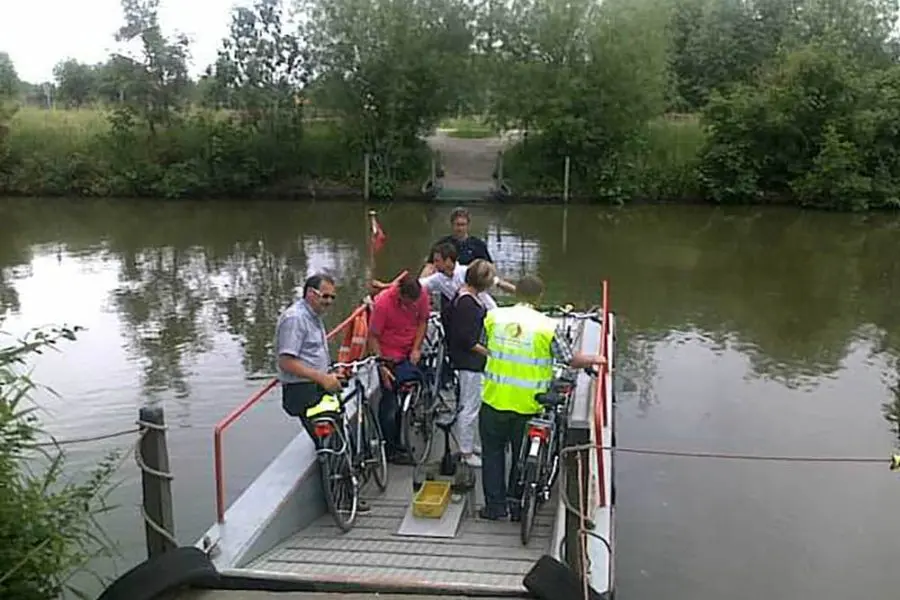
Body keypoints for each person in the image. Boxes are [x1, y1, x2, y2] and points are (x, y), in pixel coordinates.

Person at [478, 275, 606, 521]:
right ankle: (518, 506)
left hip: (493, 400)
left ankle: (494, 507)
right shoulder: (547, 326)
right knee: (522, 457)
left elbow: (484, 345)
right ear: (539, 297)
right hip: (530, 404)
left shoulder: (494, 317)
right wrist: (594, 359)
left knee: (492, 454)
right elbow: (569, 359)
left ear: (516, 293)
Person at [275, 273, 371, 511]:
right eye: (324, 296)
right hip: (303, 391)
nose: (329, 302)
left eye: (332, 298)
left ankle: (344, 491)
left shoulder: (313, 316)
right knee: (332, 441)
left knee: (339, 431)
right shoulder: (295, 319)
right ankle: (344, 499)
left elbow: (311, 353)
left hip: (317, 385)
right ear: (310, 293)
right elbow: (286, 362)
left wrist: (330, 373)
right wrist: (322, 378)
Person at [367, 273, 430, 464]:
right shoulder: (383, 304)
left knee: (421, 378)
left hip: (409, 350)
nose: (411, 306)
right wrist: (382, 365)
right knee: (390, 403)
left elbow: (423, 321)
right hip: (389, 354)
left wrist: (416, 348)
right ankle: (391, 448)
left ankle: (416, 412)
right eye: (408, 303)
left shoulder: (421, 295)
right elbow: (373, 336)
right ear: (400, 294)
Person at [445, 258, 495, 468]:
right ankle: (465, 452)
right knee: (469, 406)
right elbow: (467, 339)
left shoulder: (466, 295)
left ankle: (470, 443)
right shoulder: (467, 304)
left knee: (472, 404)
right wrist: (490, 353)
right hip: (469, 363)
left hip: (469, 360)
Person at [419, 207, 493, 277]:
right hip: (445, 279)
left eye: (463, 225)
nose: (460, 228)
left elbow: (490, 267)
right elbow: (429, 265)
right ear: (452, 225)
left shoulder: (479, 245)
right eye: (457, 224)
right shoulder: (441, 244)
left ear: (468, 225)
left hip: (471, 279)